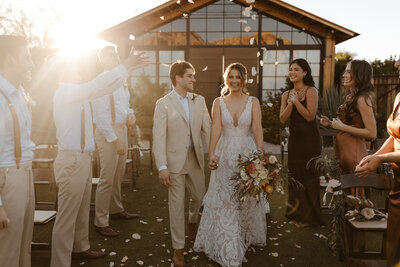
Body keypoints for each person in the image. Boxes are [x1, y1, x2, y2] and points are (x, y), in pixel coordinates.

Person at [50, 49, 149, 267]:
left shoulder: (80, 92)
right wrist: (124, 65)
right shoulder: (66, 91)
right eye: (77, 68)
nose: (81, 72)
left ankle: (80, 248)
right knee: (66, 218)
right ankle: (59, 262)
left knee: (82, 210)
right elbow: (97, 85)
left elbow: (106, 86)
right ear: (65, 72)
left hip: (84, 158)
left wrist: (127, 68)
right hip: (71, 160)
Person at [194, 62, 267, 266]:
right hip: (225, 154)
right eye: (231, 77)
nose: (234, 81)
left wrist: (260, 157)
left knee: (246, 196)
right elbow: (216, 127)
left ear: (243, 80)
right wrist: (212, 154)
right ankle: (228, 241)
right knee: (225, 196)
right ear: (226, 79)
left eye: (238, 77)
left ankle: (244, 233)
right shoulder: (218, 101)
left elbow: (257, 128)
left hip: (247, 153)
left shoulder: (253, 101)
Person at [152, 61, 211, 267]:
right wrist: (162, 167)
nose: (194, 79)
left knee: (199, 196)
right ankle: (178, 248)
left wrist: (213, 153)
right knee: (176, 205)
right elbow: (158, 138)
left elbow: (208, 129)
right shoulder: (163, 103)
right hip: (173, 162)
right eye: (190, 76)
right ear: (178, 78)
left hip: (195, 159)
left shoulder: (199, 100)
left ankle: (192, 221)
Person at [355, 58, 400, 267]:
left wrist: (379, 158)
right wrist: (374, 156)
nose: (397, 64)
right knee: (394, 239)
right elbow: (394, 137)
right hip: (397, 179)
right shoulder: (399, 96)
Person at [91, 46, 139, 238]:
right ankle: (101, 222)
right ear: (103, 60)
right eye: (112, 55)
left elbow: (124, 105)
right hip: (107, 132)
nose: (117, 57)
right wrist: (115, 139)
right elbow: (100, 116)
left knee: (119, 174)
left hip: (121, 129)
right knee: (107, 178)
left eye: (117, 54)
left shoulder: (120, 81)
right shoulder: (100, 82)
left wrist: (131, 114)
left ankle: (116, 210)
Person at [0, 35, 35, 267]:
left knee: (24, 248)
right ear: (11, 60)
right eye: (27, 57)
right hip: (8, 177)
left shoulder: (19, 92)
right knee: (8, 252)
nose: (31, 63)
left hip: (25, 174)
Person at [320, 60, 376, 197]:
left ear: (359, 75)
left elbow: (372, 133)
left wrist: (342, 126)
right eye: (345, 71)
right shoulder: (352, 97)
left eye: (349, 72)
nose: (344, 75)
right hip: (343, 153)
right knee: (345, 196)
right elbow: (351, 126)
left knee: (355, 197)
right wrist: (331, 124)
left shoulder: (363, 99)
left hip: (354, 155)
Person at [280, 58, 324, 227]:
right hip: (295, 141)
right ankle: (296, 214)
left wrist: (297, 101)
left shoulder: (311, 91)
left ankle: (310, 217)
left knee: (309, 176)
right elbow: (282, 119)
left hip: (310, 140)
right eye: (291, 69)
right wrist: (291, 103)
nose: (292, 72)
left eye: (296, 69)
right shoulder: (286, 94)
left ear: (305, 72)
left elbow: (310, 116)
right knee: (295, 176)